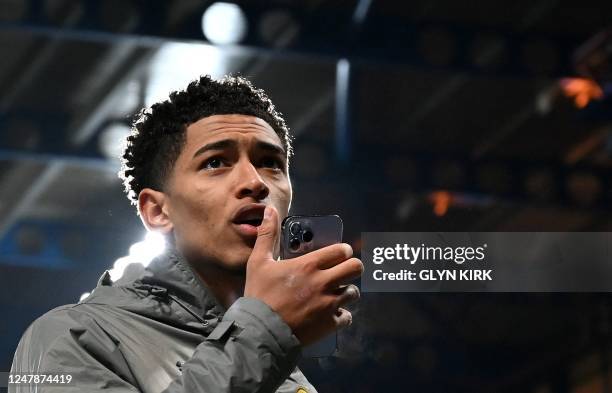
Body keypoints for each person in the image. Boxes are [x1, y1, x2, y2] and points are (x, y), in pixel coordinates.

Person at [9, 75, 363, 393]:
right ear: (158, 211)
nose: (255, 182)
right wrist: (265, 330)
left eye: (270, 163)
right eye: (215, 162)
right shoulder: (68, 336)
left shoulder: (288, 374)